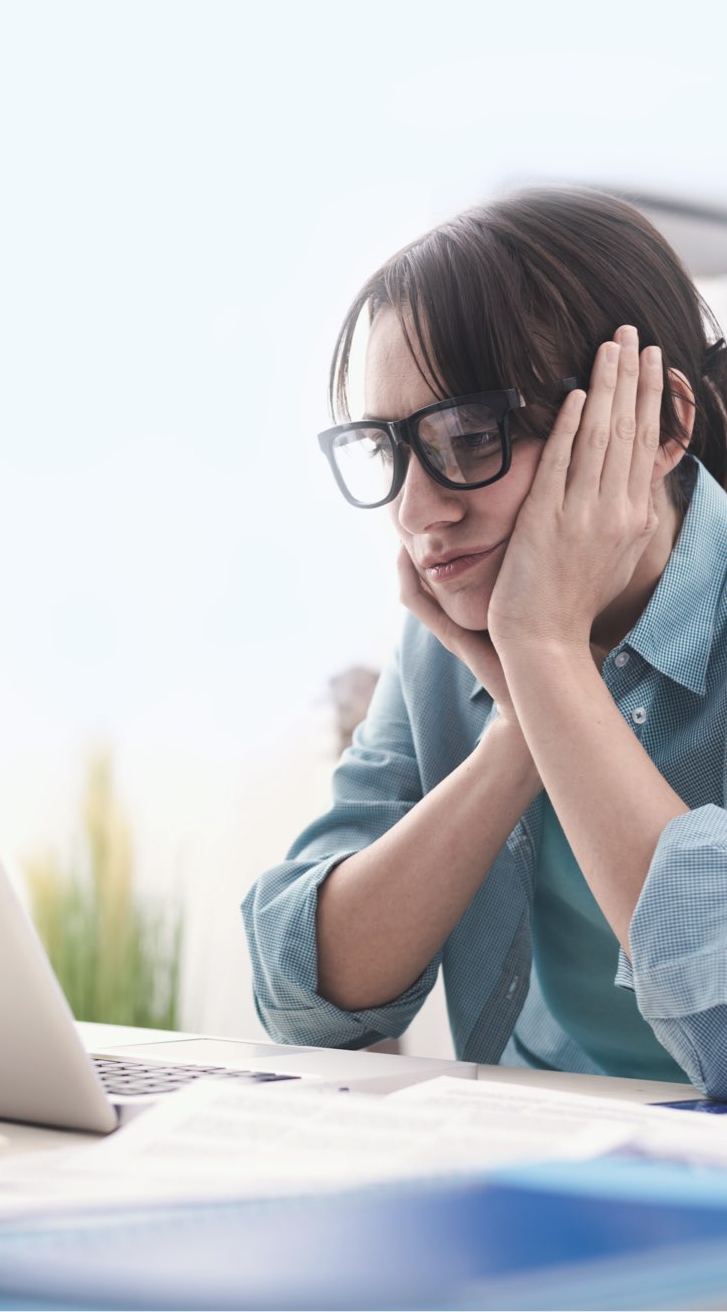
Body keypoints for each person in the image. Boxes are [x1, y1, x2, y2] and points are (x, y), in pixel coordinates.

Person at [242, 187, 727, 1095]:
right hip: (527, 1161)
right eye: (385, 449)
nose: (416, 511)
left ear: (659, 425)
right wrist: (517, 729)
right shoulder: (457, 633)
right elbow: (300, 993)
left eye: (469, 438)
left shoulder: (515, 621)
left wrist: (545, 656)